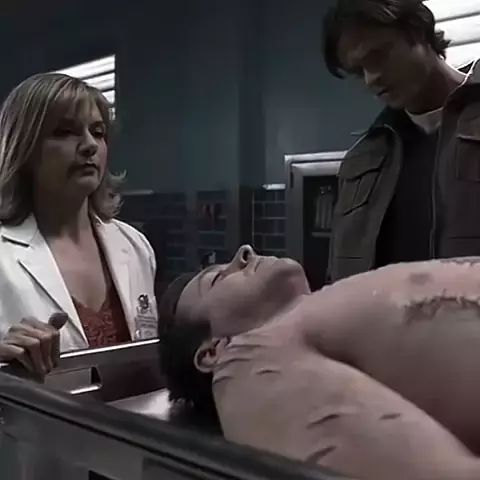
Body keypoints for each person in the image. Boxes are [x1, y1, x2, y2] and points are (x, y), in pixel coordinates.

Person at [158, 245, 480, 480]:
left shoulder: (333, 307)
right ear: (213, 351)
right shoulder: (248, 364)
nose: (245, 252)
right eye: (217, 279)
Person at [0, 73, 157, 376]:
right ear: (24, 149)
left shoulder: (135, 245)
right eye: (64, 132)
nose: (89, 145)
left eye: (98, 132)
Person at [323, 0, 480, 282]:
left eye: (378, 56)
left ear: (418, 31)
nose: (371, 79)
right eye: (359, 71)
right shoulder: (362, 160)